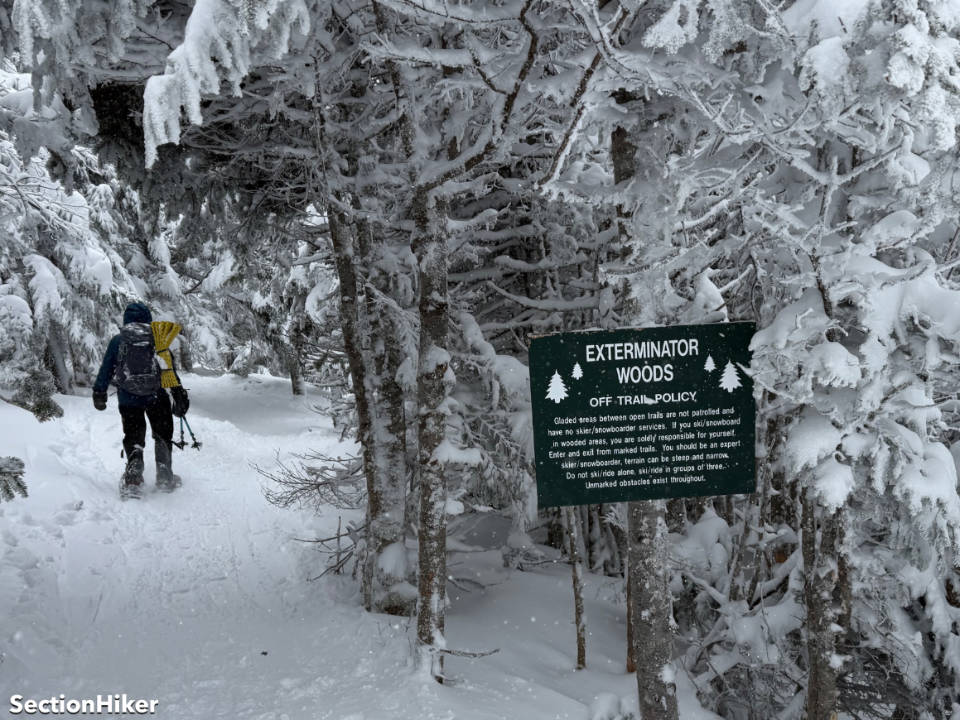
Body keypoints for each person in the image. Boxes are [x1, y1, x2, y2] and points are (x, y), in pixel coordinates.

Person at [92, 302, 190, 498]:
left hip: (128, 398)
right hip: (157, 396)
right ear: (148, 318)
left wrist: (99, 392)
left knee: (134, 436)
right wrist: (178, 393)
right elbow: (168, 369)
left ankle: (133, 478)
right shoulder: (159, 338)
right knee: (162, 434)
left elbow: (106, 368)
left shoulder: (118, 341)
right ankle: (164, 476)